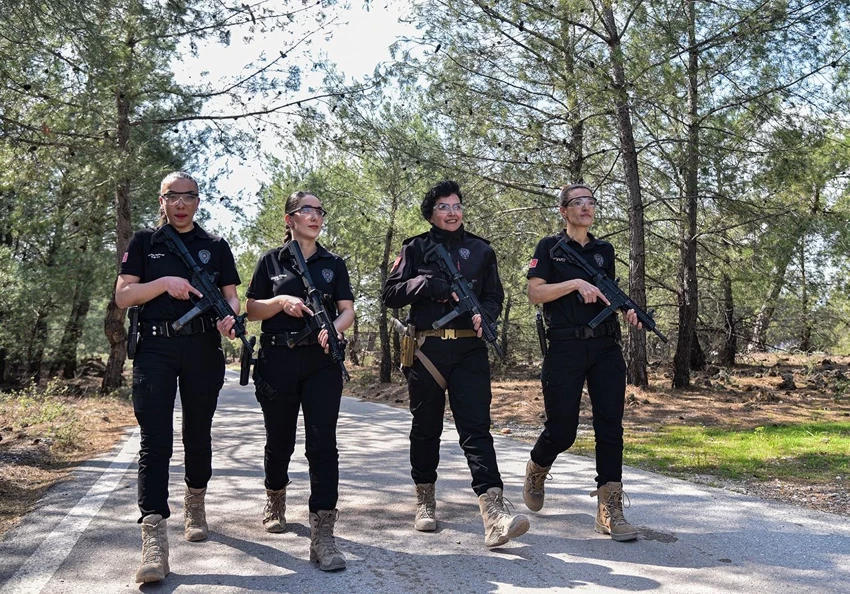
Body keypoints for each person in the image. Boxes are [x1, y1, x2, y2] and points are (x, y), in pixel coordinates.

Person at [382, 180, 529, 548]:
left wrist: (487, 316)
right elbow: (390, 295)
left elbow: (494, 296)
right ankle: (424, 500)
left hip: (469, 350)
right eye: (444, 206)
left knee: (476, 431)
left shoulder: (480, 249)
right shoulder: (415, 248)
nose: (452, 212)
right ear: (431, 213)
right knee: (425, 428)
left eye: (457, 205)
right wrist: (428, 285)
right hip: (426, 351)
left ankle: (494, 514)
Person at [115, 171, 241, 583]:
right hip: (155, 348)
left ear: (198, 201)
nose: (181, 204)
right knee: (155, 438)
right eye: (173, 197)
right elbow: (124, 296)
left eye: (188, 196)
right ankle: (154, 538)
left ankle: (195, 502)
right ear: (162, 200)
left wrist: (230, 320)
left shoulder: (215, 246)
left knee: (197, 430)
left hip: (203, 347)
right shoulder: (144, 244)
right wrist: (163, 283)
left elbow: (230, 296)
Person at [523, 183, 642, 542]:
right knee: (562, 430)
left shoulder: (605, 250)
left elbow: (609, 292)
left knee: (610, 426)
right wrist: (574, 283)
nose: (586, 207)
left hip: (605, 346)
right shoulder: (549, 248)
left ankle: (610, 509)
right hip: (564, 346)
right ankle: (537, 468)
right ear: (563, 211)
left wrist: (627, 310)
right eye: (578, 202)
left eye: (590, 201)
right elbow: (535, 293)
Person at [245, 190, 355, 571]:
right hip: (278, 359)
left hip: (322, 361)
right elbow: (252, 307)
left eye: (319, 210)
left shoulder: (333, 263)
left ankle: (323, 533)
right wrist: (280, 303)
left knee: (323, 444)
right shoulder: (270, 261)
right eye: (307, 210)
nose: (315, 216)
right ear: (290, 218)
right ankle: (275, 496)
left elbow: (348, 310)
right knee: (280, 441)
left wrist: (335, 330)